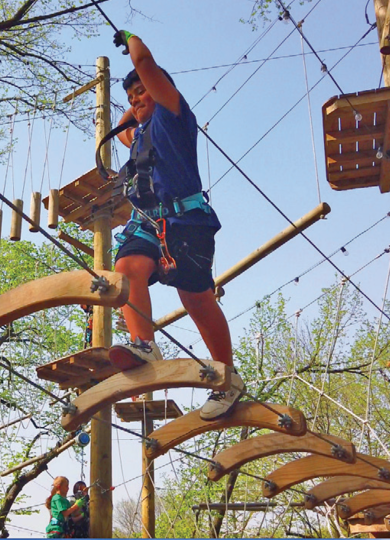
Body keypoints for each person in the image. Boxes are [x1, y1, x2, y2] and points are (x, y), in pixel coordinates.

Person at [107, 29, 244, 420]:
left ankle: (226, 377)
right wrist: (135, 105)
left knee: (195, 299)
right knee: (126, 269)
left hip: (186, 220)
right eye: (132, 98)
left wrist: (132, 41)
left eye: (142, 93)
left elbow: (144, 65)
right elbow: (124, 127)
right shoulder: (140, 134)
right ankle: (144, 345)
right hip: (150, 221)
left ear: (162, 89)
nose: (136, 101)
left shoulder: (173, 115)